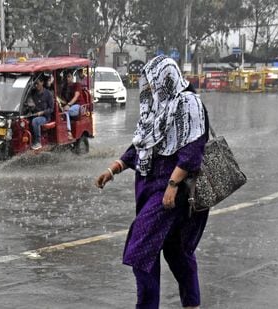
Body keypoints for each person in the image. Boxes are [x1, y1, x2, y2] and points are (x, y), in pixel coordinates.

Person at [95, 56, 208, 309]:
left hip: (172, 193)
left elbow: (193, 150)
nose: (150, 87)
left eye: (154, 81)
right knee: (176, 251)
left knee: (141, 248)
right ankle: (192, 304)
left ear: (166, 78)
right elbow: (142, 146)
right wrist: (114, 169)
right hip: (151, 189)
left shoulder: (188, 104)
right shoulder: (157, 109)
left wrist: (172, 185)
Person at [29, 77, 54, 150]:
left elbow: (51, 109)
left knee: (35, 121)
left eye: (37, 83)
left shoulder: (48, 94)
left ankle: (38, 142)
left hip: (45, 117)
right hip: (33, 115)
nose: (36, 86)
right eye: (35, 84)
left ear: (42, 82)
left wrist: (42, 112)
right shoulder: (33, 93)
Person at [60, 71, 83, 139]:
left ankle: (69, 132)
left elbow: (76, 97)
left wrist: (69, 105)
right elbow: (63, 100)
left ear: (72, 77)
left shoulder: (77, 85)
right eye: (65, 77)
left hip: (78, 105)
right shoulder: (64, 88)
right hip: (69, 105)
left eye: (69, 76)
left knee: (66, 111)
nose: (67, 78)